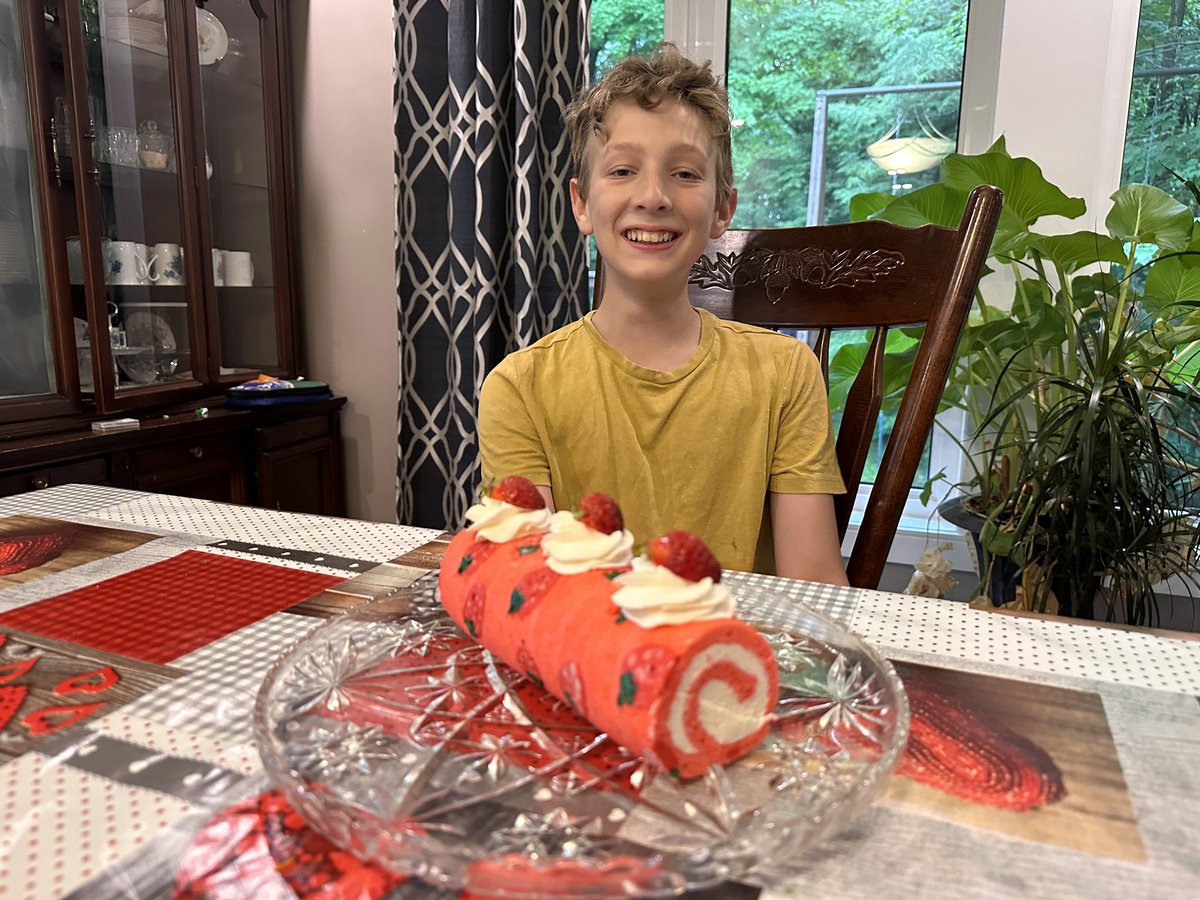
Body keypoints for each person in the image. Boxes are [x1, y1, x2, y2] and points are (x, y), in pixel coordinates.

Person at [478, 43, 847, 585]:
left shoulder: (785, 373)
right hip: (590, 658)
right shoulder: (520, 388)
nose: (653, 196)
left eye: (686, 174)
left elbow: (813, 583)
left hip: (735, 656)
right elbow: (532, 591)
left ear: (722, 209)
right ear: (582, 203)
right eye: (623, 169)